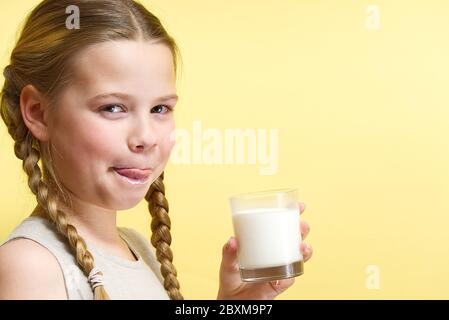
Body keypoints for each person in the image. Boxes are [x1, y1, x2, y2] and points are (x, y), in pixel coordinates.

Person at [0, 0, 313, 300]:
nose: (146, 137)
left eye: (160, 108)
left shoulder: (138, 249)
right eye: (112, 108)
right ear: (39, 112)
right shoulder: (32, 266)